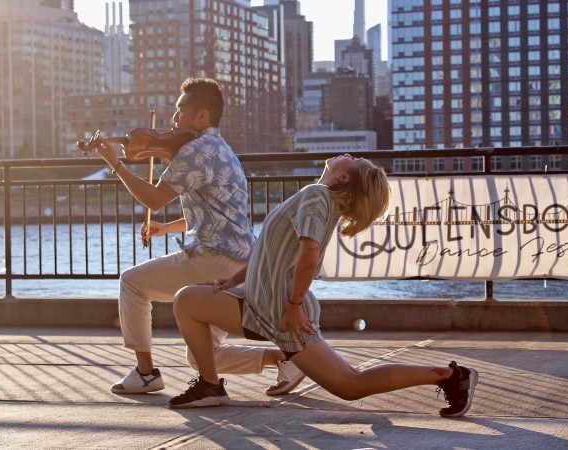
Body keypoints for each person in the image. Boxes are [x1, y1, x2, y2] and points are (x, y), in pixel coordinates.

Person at [170, 154, 478, 417]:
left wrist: (292, 307)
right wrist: (233, 280)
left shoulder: (317, 197)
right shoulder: (316, 196)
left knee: (350, 385)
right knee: (188, 301)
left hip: (281, 309)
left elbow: (309, 253)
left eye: (355, 159)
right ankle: (209, 385)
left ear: (344, 176)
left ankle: (453, 376)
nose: (350, 154)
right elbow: (275, 252)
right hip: (263, 303)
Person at [93, 77, 305, 396]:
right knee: (201, 356)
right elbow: (211, 218)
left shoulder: (193, 151)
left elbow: (152, 199)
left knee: (131, 282)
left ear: (202, 116)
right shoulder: (221, 149)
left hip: (212, 261)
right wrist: (164, 228)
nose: (174, 120)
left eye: (181, 111)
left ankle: (146, 372)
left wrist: (116, 164)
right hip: (240, 267)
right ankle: (285, 359)